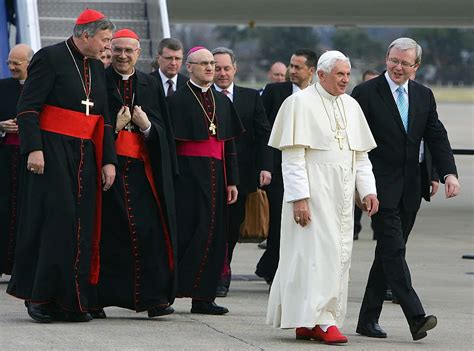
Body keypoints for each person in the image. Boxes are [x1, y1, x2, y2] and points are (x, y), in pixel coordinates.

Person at [7, 9, 117, 323]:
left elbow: (104, 120)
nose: (107, 46)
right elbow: (28, 108)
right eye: (104, 39)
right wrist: (34, 149)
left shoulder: (96, 66)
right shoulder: (49, 57)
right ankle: (39, 298)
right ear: (85, 34)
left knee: (80, 228)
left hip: (86, 156)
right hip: (52, 153)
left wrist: (108, 160)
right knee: (55, 225)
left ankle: (71, 301)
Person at [266, 50, 378, 344]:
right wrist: (299, 198)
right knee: (311, 258)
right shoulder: (298, 104)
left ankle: (315, 319)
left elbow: (361, 156)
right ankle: (319, 320)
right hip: (312, 196)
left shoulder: (352, 106)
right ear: (321, 74)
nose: (345, 79)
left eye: (347, 74)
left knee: (337, 257)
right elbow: (292, 157)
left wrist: (367, 190)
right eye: (339, 74)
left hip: (340, 200)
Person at [353, 37, 460, 341]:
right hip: (378, 186)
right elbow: (355, 143)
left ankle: (367, 320)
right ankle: (416, 317)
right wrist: (359, 187)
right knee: (394, 250)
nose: (397, 67)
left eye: (404, 63)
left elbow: (436, 136)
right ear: (386, 59)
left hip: (412, 187)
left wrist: (448, 173)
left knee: (388, 254)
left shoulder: (424, 95)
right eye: (393, 61)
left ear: (416, 66)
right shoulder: (365, 93)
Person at [91, 29, 178, 318]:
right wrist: (114, 128)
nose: (123, 56)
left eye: (129, 50)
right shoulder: (98, 80)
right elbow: (90, 125)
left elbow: (163, 129)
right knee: (107, 235)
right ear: (110, 51)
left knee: (150, 232)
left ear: (139, 53)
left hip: (142, 172)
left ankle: (153, 299)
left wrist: (146, 126)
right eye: (118, 50)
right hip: (108, 170)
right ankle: (98, 299)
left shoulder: (150, 84)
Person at [167, 46, 244, 315]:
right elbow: (169, 147)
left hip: (217, 175)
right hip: (187, 178)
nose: (210, 68)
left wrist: (232, 181)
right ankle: (168, 294)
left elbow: (229, 144)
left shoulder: (223, 102)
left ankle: (204, 298)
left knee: (214, 237)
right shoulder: (176, 101)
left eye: (212, 63)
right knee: (186, 235)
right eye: (203, 64)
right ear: (189, 67)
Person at [211, 47, 272, 297]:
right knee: (212, 227)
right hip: (210, 172)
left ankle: (223, 273)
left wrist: (265, 166)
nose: (222, 73)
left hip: (242, 176)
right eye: (217, 68)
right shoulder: (201, 96)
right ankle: (213, 273)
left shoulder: (250, 97)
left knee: (232, 228)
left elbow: (262, 133)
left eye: (226, 68)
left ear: (235, 69)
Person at [255, 48, 317, 285]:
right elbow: (263, 130)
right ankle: (273, 273)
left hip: (310, 170)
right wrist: (265, 166)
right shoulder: (274, 92)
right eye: (291, 66)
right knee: (279, 223)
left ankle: (279, 269)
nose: (291, 71)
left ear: (311, 71)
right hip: (279, 170)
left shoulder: (319, 95)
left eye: (297, 67)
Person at [0, 44, 34, 278]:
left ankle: (21, 267)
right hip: (4, 159)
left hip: (30, 159)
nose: (11, 67)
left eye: (17, 63)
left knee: (26, 211)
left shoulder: (40, 88)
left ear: (29, 63)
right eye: (9, 62)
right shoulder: (2, 87)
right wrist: (0, 127)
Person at [353, 69, 379, 241]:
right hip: (360, 154)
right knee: (355, 195)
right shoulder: (357, 100)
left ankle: (378, 229)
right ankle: (354, 229)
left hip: (377, 157)